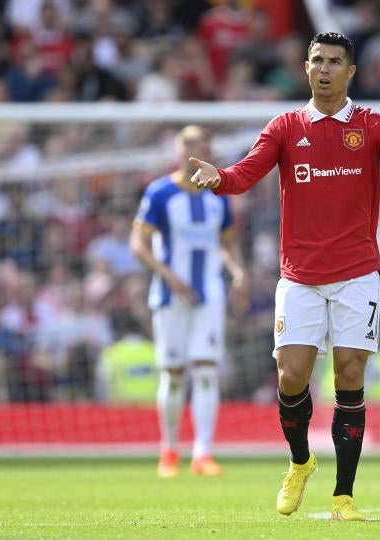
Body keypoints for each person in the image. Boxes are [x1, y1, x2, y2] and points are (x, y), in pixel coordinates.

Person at [188, 32, 380, 520]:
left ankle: (344, 496)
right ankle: (300, 461)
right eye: (317, 60)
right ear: (306, 67)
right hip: (300, 276)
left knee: (349, 374)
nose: (325, 68)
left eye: (335, 61)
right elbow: (246, 173)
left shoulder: (374, 125)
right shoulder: (286, 127)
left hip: (356, 274)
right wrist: (219, 179)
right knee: (291, 377)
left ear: (350, 71)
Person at [130, 125, 248, 478]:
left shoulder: (219, 194)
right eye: (194, 147)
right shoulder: (161, 192)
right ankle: (169, 451)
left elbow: (226, 244)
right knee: (175, 374)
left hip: (209, 295)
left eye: (206, 147)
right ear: (181, 153)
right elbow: (139, 244)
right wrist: (169, 276)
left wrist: (238, 271)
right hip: (170, 296)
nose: (200, 154)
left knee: (207, 371)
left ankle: (203, 453)